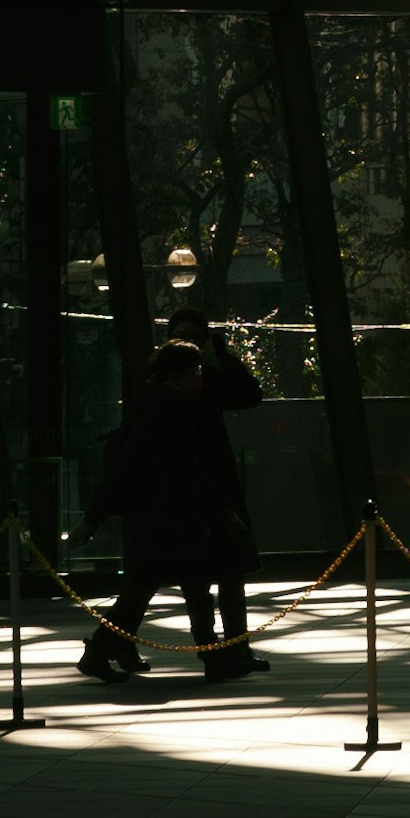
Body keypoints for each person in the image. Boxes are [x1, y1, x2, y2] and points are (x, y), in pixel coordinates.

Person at [83, 334, 254, 686]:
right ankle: (211, 657)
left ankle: (101, 652)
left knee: (150, 593)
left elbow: (133, 469)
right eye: (194, 374)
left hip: (160, 522)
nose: (199, 381)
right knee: (178, 592)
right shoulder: (168, 415)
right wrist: (225, 513)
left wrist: (95, 515)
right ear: (176, 377)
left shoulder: (159, 410)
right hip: (170, 522)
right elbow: (182, 471)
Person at [159, 256, 264, 655]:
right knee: (203, 576)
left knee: (225, 572)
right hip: (192, 488)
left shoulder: (204, 382)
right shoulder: (177, 387)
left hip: (208, 484)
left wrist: (219, 354)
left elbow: (250, 395)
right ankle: (221, 649)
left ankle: (231, 648)